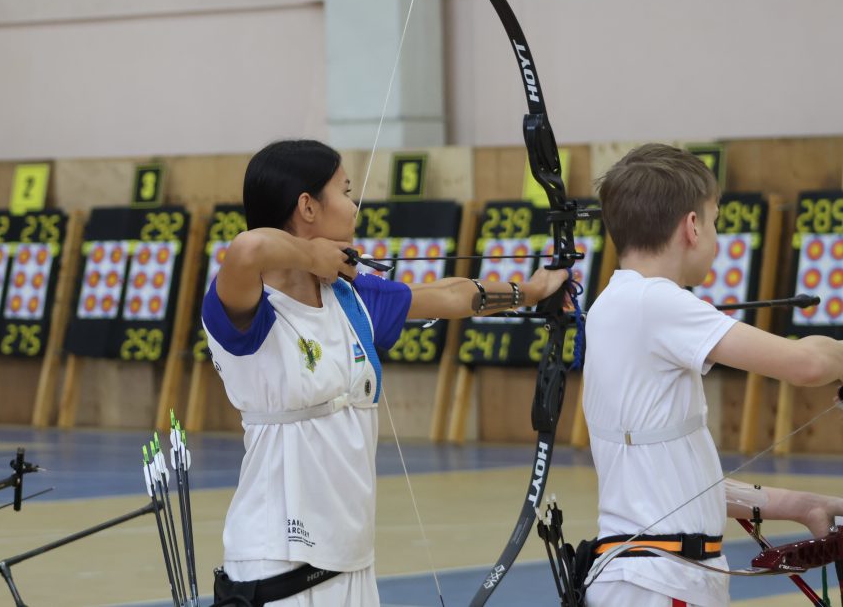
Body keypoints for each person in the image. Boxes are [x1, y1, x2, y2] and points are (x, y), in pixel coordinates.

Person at [202, 139, 569, 605]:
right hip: (274, 563)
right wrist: (313, 257)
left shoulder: (350, 299)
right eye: (345, 191)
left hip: (350, 560)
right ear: (307, 206)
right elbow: (248, 247)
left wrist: (531, 292)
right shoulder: (250, 309)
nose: (354, 206)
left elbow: (452, 294)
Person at [583, 144, 843, 607]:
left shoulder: (617, 304)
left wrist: (801, 506)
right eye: (715, 220)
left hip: (652, 580)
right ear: (693, 226)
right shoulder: (653, 302)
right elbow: (807, 365)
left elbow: (681, 486)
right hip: (658, 583)